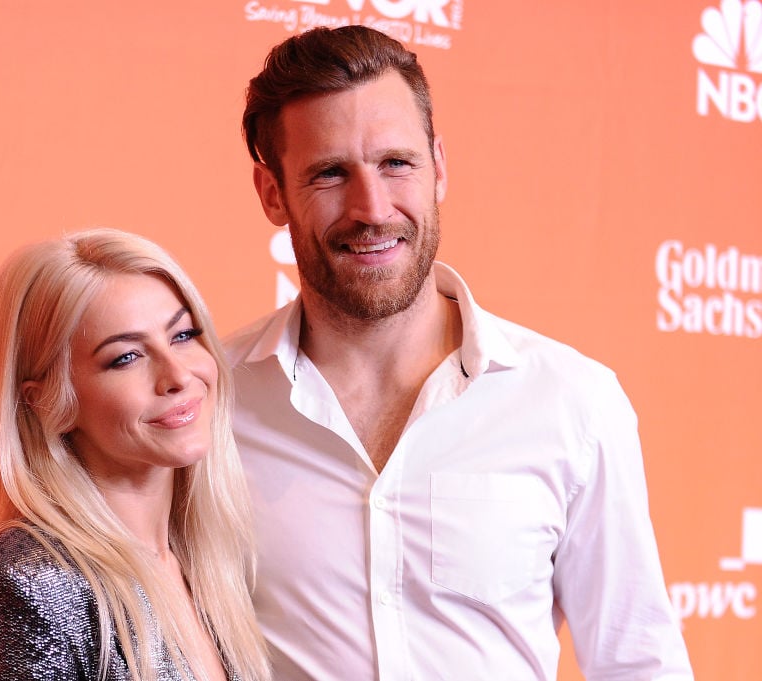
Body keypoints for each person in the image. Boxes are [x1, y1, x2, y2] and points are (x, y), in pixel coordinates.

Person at [227, 25, 693, 680]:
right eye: (330, 173)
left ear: (439, 167)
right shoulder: (211, 404)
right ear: (272, 193)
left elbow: (637, 663)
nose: (372, 208)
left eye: (397, 163)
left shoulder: (572, 402)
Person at [0, 229, 271, 681]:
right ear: (47, 402)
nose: (177, 375)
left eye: (183, 335)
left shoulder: (212, 568)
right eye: (126, 357)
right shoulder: (20, 589)